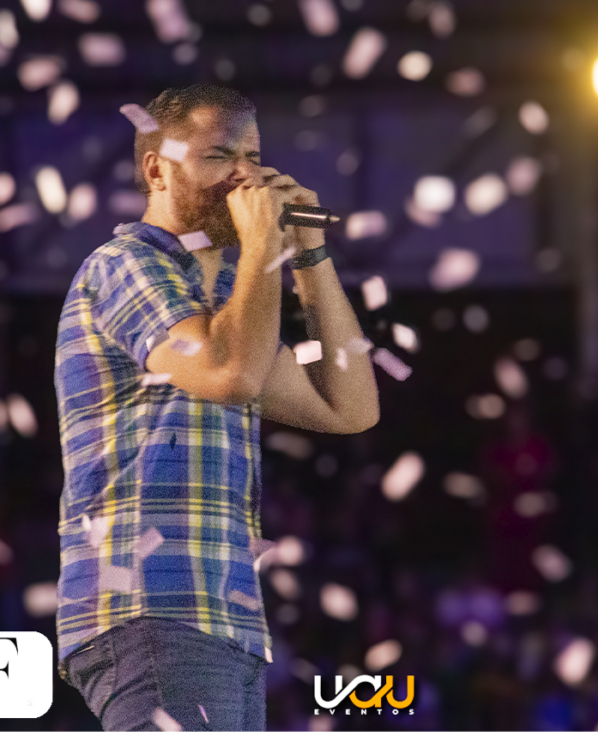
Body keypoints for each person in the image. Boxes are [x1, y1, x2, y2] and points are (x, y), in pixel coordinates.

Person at [53, 84, 380, 731]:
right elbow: (229, 374)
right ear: (157, 170)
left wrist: (309, 254)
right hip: (153, 608)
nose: (244, 175)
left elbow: (350, 408)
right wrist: (261, 247)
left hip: (221, 618)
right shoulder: (124, 265)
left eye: (252, 156)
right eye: (217, 155)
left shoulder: (230, 297)